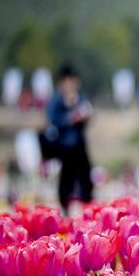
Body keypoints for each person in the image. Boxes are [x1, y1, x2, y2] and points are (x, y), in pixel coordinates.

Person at [45, 64, 93, 213]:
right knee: (66, 178)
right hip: (65, 145)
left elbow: (88, 118)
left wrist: (83, 117)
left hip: (80, 143)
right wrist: (70, 118)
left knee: (86, 177)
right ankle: (65, 207)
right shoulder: (57, 101)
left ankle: (88, 207)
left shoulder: (81, 99)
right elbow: (53, 120)